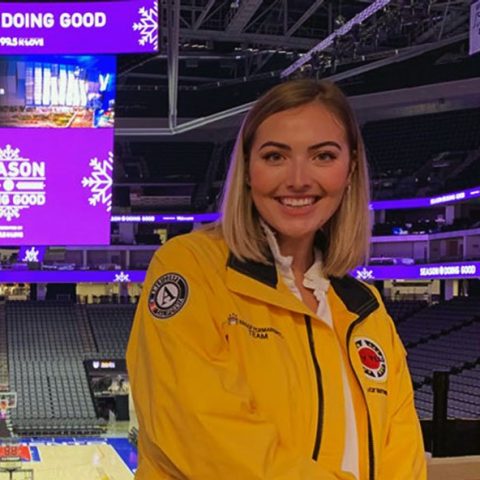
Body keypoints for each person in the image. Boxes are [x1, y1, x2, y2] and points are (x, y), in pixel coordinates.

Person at [127, 79, 427, 479]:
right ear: (248, 170)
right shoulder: (190, 268)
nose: (299, 179)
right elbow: (202, 431)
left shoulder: (366, 309)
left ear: (350, 168)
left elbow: (402, 456)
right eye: (275, 157)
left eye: (323, 156)